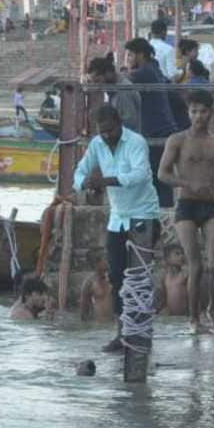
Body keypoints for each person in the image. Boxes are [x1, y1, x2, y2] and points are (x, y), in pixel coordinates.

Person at [72, 104, 163, 361]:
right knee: (117, 277)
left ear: (119, 122)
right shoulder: (96, 144)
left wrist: (106, 181)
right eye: (102, 132)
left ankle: (141, 333)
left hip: (143, 214)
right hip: (117, 218)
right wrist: (86, 184)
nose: (107, 136)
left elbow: (141, 175)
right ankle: (122, 333)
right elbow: (78, 173)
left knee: (140, 278)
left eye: (110, 131)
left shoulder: (136, 142)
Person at [157, 90, 214, 335]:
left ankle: (213, 311)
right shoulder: (177, 140)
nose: (199, 116)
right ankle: (194, 320)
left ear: (211, 113)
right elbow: (162, 173)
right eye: (194, 111)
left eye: (203, 111)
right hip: (185, 207)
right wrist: (185, 184)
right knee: (195, 265)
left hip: (209, 207)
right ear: (188, 112)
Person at [122, 38, 182, 208]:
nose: (127, 58)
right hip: (163, 129)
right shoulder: (154, 68)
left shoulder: (145, 72)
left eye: (130, 55)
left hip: (157, 131)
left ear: (140, 55)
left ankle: (162, 212)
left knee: (157, 176)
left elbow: (122, 81)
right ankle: (162, 210)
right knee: (159, 175)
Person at [87, 56, 139, 131]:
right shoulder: (113, 91)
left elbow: (129, 125)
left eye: (98, 81)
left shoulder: (124, 92)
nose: (98, 86)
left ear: (108, 73)